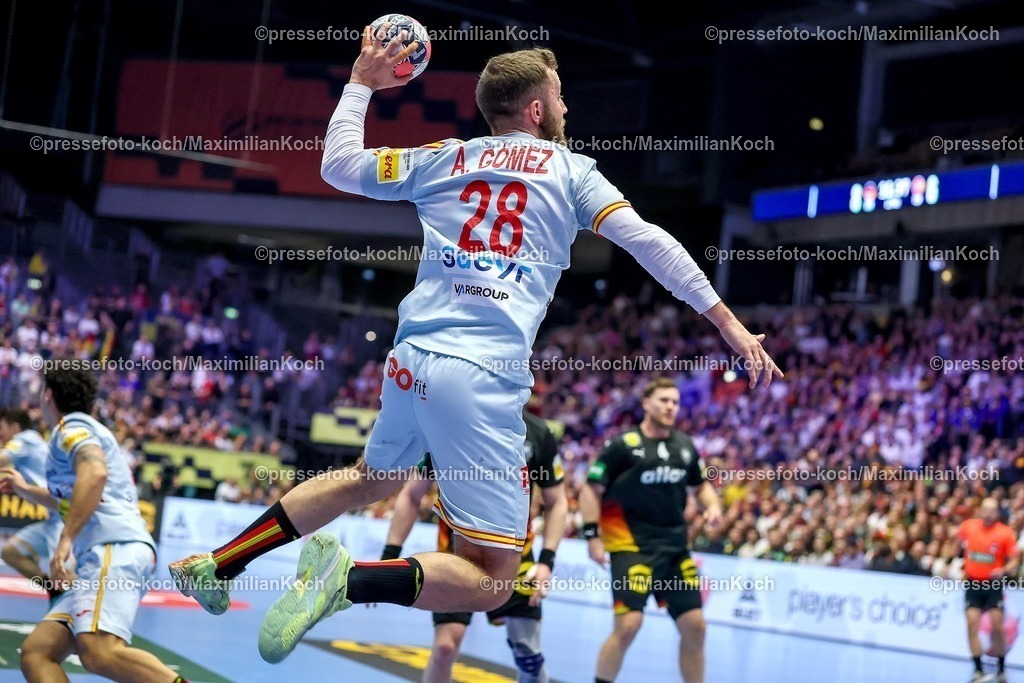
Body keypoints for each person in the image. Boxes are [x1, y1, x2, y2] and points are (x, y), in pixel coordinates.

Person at [170, 25, 782, 666]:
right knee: (493, 581)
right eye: (562, 97)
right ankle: (345, 582)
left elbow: (338, 167)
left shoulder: (445, 157)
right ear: (539, 109)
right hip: (479, 375)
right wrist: (728, 324)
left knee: (369, 478)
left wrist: (358, 85)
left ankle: (218, 565)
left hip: (410, 361)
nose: (568, 109)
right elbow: (649, 241)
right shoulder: (572, 172)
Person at [8, 367, 187, 683]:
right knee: (38, 653)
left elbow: (95, 473)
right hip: (106, 553)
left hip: (113, 547)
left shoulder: (70, 427)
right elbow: (70, 497)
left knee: (99, 652)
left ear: (48, 395)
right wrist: (24, 489)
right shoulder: (79, 432)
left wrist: (65, 540)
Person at [382, 408, 567, 683]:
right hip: (455, 557)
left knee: (528, 654)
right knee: (445, 648)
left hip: (517, 559)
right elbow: (411, 494)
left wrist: (546, 562)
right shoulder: (450, 424)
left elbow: (557, 502)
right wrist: (390, 554)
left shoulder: (538, 432)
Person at [579, 378, 721, 683]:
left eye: (675, 402)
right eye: (664, 400)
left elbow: (701, 487)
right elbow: (591, 490)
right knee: (629, 625)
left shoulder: (684, 446)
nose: (671, 407)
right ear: (646, 403)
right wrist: (592, 536)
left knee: (696, 627)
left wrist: (713, 507)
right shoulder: (622, 446)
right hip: (631, 546)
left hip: (674, 550)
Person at [0, 408, 64, 602]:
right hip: (52, 520)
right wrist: (20, 489)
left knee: (65, 576)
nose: (0, 433)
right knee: (10, 553)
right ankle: (50, 587)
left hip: (65, 518)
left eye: (1, 427)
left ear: (15, 427)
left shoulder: (25, 439)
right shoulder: (31, 444)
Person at [958, 497, 1019, 683]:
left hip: (993, 585)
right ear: (980, 510)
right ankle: (978, 669)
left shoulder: (1005, 533)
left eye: (992, 510)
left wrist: (1004, 570)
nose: (988, 513)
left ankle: (1000, 668)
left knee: (998, 625)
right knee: (971, 624)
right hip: (973, 583)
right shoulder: (968, 527)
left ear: (997, 512)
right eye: (985, 509)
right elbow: (958, 543)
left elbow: (1015, 560)